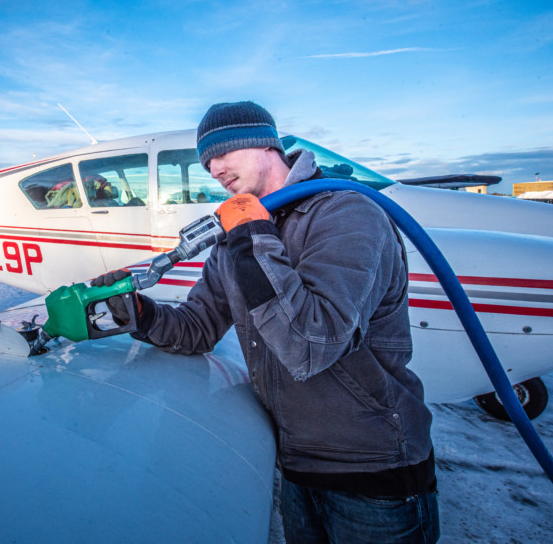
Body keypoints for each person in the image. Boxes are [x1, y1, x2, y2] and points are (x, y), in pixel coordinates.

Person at [95, 101, 439, 543]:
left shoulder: (344, 214)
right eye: (207, 161)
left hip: (374, 472)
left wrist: (250, 235)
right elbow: (197, 328)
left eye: (223, 152)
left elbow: (310, 345)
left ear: (264, 144)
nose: (214, 169)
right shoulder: (239, 238)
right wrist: (140, 312)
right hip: (296, 467)